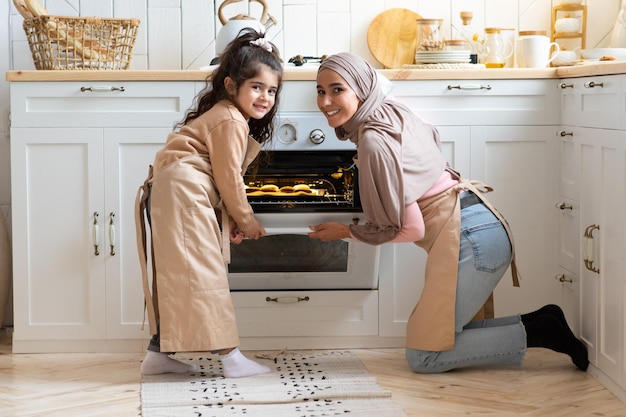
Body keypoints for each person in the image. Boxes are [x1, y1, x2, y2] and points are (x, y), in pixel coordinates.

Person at [308, 52, 589, 373]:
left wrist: (346, 231)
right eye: (320, 91)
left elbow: (410, 228)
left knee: (424, 356)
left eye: (337, 90)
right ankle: (542, 321)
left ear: (361, 88)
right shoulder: (390, 113)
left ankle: (540, 332)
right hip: (482, 224)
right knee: (443, 334)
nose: (325, 101)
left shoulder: (373, 142)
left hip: (471, 241)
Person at [135, 28, 282, 377]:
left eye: (272, 90)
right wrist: (247, 221)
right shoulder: (231, 119)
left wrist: (226, 221)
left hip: (175, 190)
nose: (265, 97)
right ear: (232, 86)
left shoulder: (225, 116)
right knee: (203, 271)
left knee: (178, 272)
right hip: (183, 190)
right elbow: (229, 180)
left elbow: (215, 178)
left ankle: (158, 353)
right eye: (257, 87)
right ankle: (230, 359)